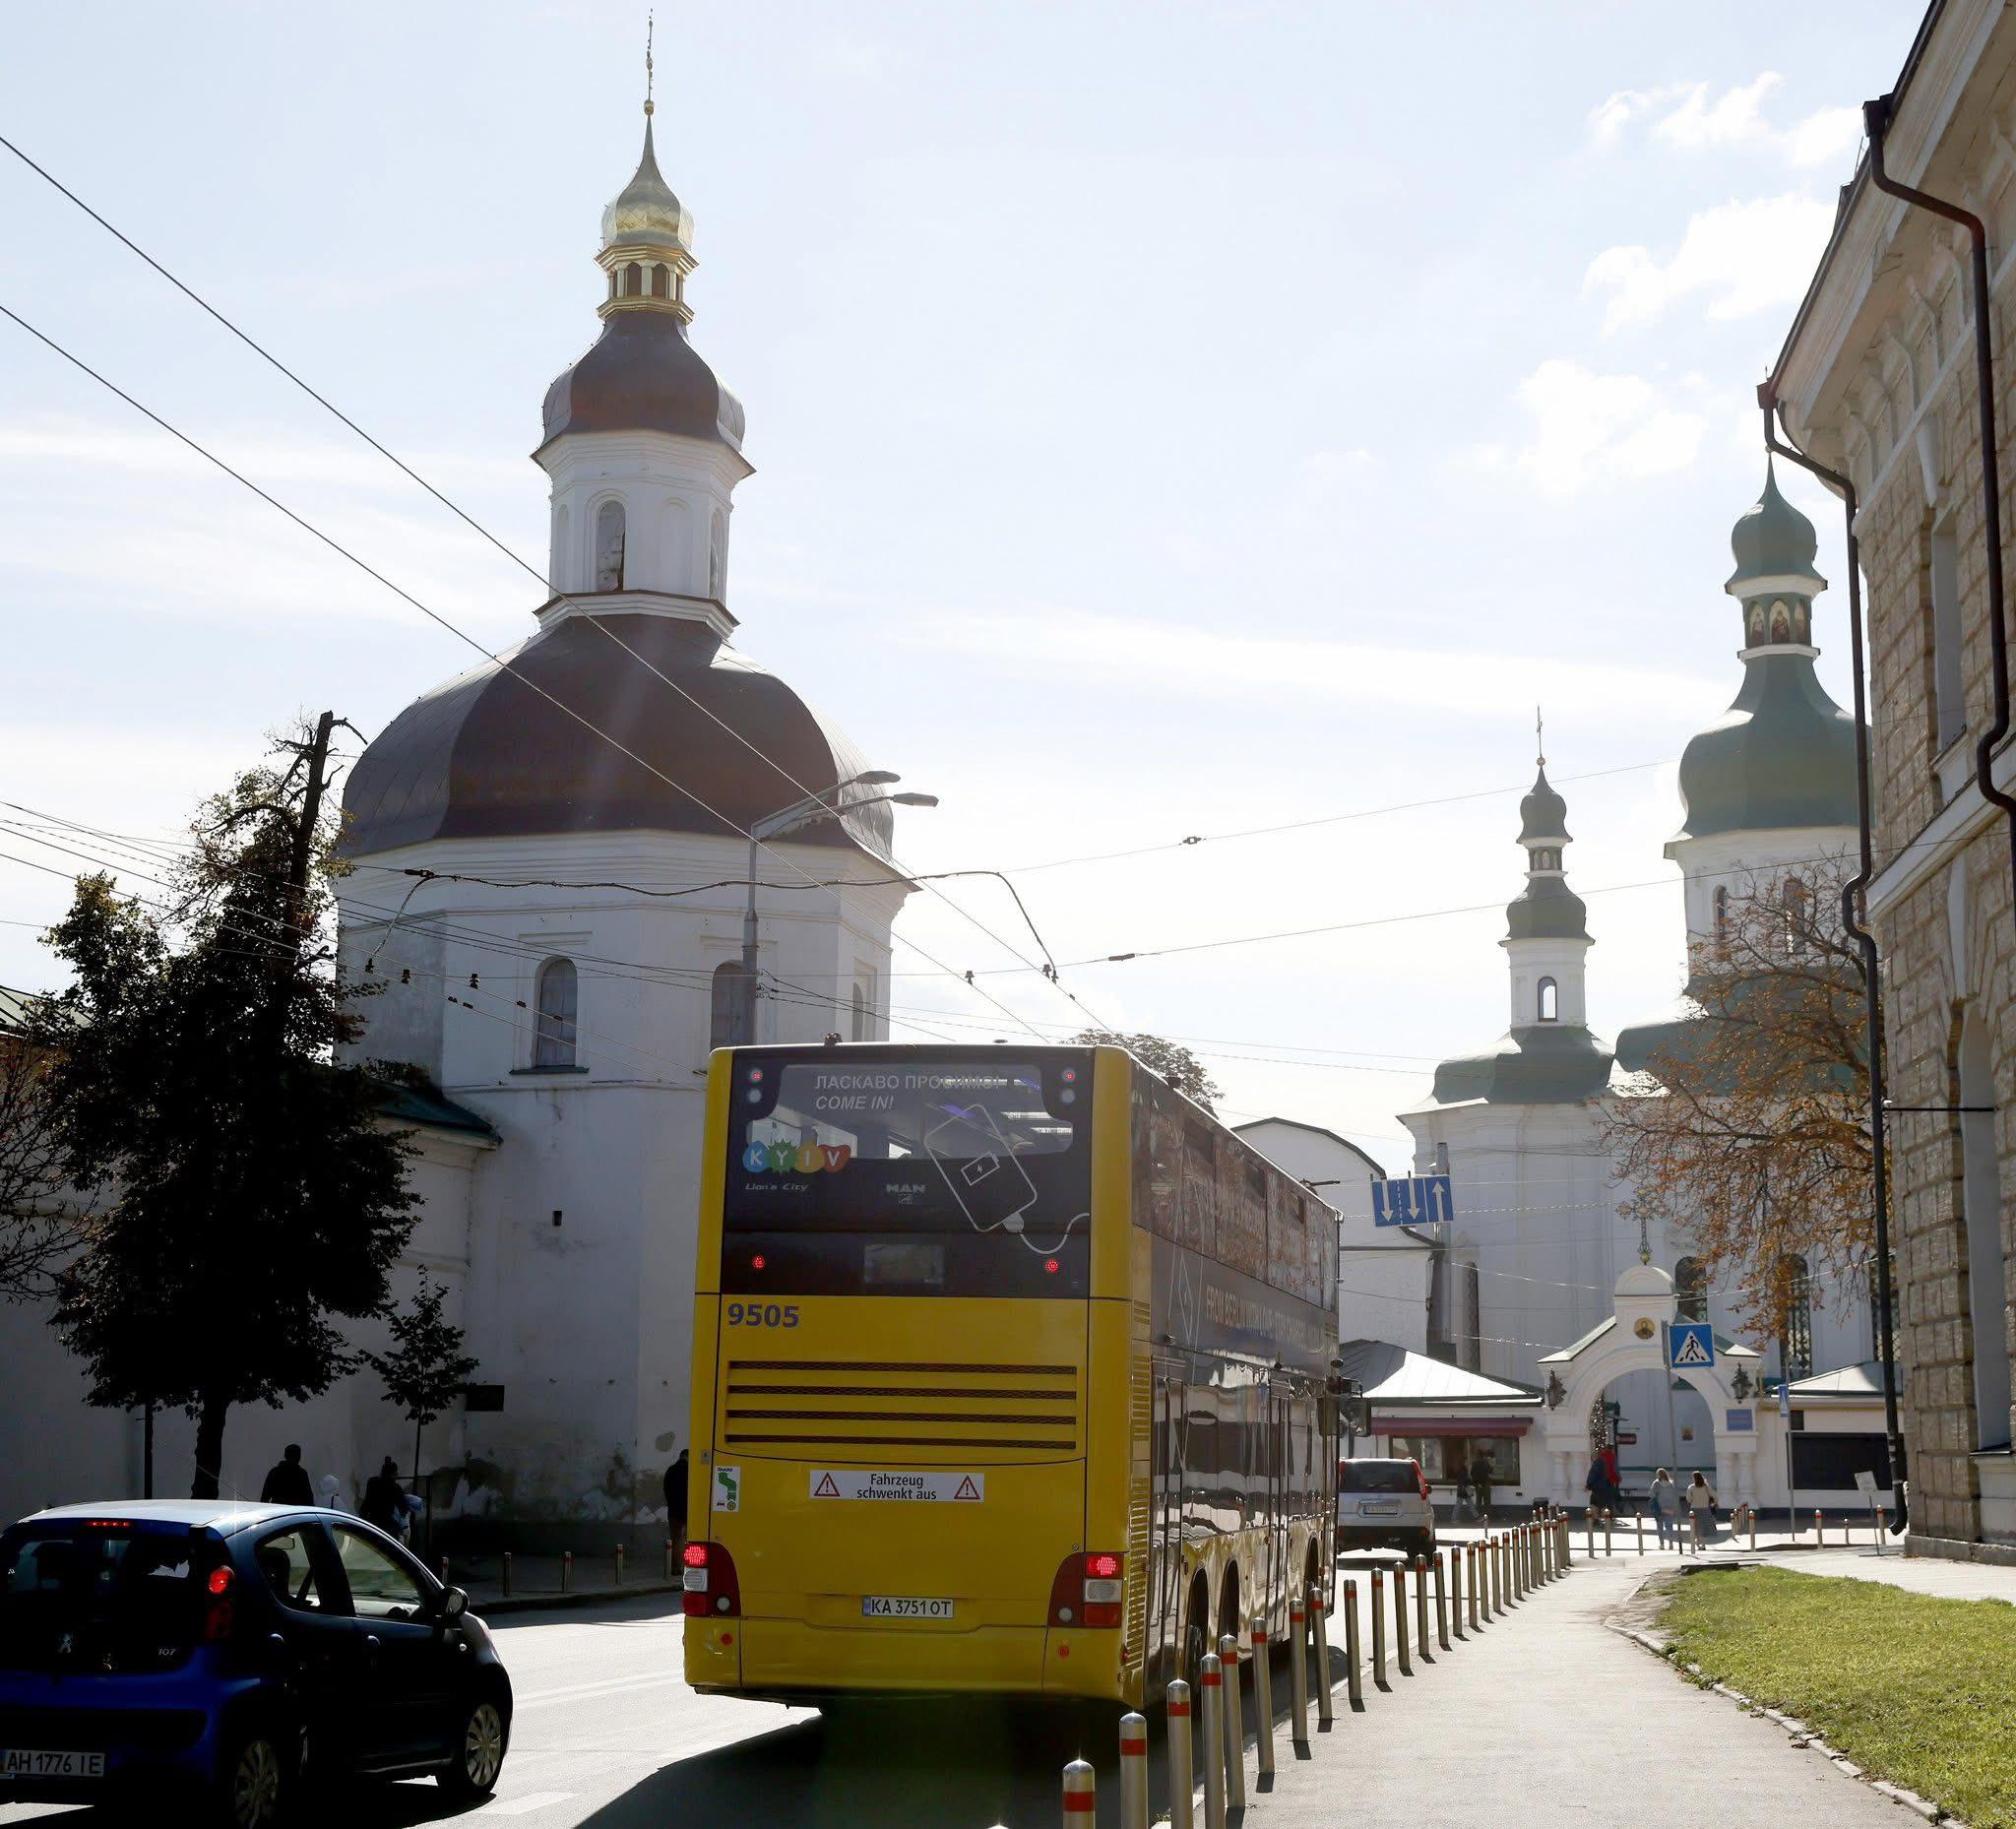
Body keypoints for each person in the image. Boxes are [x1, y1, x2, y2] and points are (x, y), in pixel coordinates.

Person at [359, 1457, 405, 1534]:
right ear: (393, 1474)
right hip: (386, 1525)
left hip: (371, 1522)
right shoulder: (395, 1487)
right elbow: (403, 1508)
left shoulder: (372, 1482)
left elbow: (366, 1504)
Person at [259, 1443, 314, 1507]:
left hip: (278, 1512)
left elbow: (264, 1497)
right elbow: (309, 1499)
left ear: (285, 1455)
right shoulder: (302, 1474)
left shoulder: (274, 1472)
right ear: (299, 1457)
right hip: (297, 1512)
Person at [1649, 1468, 1680, 1546]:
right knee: (1669, 1526)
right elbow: (1675, 1496)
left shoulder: (1656, 1483)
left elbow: (1652, 1495)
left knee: (1660, 1526)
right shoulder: (1671, 1484)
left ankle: (1662, 1544)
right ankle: (1671, 1543)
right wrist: (1675, 1507)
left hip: (1659, 1508)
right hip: (1669, 1508)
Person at [663, 1450, 690, 1541]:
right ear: (688, 1457)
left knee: (675, 1538)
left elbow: (666, 1489)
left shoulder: (671, 1470)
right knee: (687, 1539)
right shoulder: (690, 1471)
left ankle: (675, 1555)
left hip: (673, 1511)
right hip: (687, 1511)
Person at [1685, 1471, 1718, 1543]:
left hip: (1694, 1509)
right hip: (1705, 1509)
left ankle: (1698, 1540)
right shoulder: (1706, 1486)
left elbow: (1688, 1499)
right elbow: (1715, 1495)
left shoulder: (1691, 1487)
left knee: (1696, 1527)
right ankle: (1703, 1544)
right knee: (1704, 1527)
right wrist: (1714, 1503)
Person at [1471, 1456, 1491, 1526]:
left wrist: (1476, 1483)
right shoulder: (1486, 1463)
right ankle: (1487, 1517)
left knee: (1478, 1501)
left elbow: (1472, 1473)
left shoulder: (1474, 1463)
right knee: (1487, 1501)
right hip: (1485, 1484)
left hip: (1478, 1485)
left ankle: (1478, 1517)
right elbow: (1490, 1471)